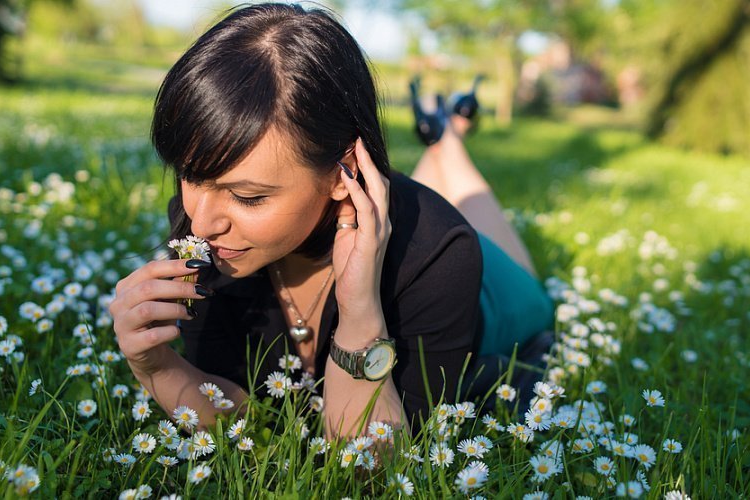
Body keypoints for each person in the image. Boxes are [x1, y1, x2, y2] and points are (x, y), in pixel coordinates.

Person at [108, 3, 554, 440]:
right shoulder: (206, 223)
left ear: (342, 173)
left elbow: (372, 465)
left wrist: (360, 313)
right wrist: (157, 367)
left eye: (247, 196)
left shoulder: (439, 255)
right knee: (420, 187)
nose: (200, 224)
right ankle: (442, 135)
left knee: (473, 211)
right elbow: (237, 412)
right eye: (191, 176)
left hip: (499, 293)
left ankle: (447, 137)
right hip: (380, 210)